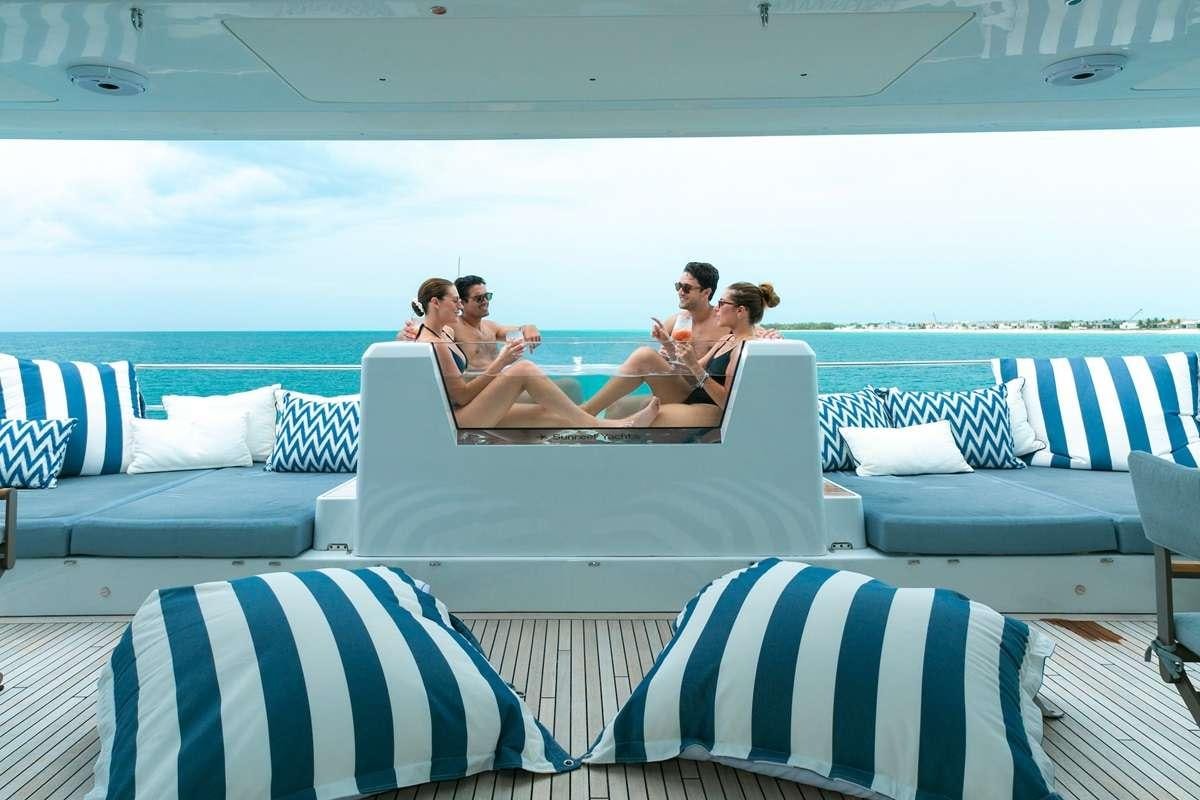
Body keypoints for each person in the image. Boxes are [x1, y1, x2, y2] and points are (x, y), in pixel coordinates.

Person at [410, 278, 660, 428]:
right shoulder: (437, 343)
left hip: (470, 407)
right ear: (435, 302)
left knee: (548, 413)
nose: (458, 306)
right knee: (523, 369)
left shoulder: (444, 334)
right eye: (454, 301)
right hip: (462, 417)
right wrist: (502, 361)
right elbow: (462, 396)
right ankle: (603, 426)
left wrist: (527, 327)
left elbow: (420, 330)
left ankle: (619, 425)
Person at [583, 282, 781, 424]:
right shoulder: (726, 339)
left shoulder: (746, 347)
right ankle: (585, 412)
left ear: (740, 311)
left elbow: (728, 402)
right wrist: (668, 344)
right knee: (645, 355)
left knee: (647, 417)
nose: (717, 309)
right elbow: (692, 374)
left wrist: (694, 365)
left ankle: (587, 425)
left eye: (722, 304)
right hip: (695, 396)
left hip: (714, 410)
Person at [399, 275, 541, 370]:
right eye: (479, 298)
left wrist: (530, 328)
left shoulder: (490, 327)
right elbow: (423, 329)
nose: (485, 301)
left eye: (487, 296)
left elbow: (520, 330)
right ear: (463, 302)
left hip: (498, 383)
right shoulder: (454, 326)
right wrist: (407, 333)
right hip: (479, 392)